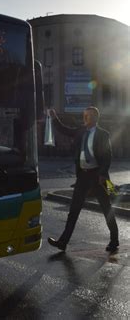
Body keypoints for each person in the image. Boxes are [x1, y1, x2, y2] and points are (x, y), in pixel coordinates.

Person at [47, 107, 119, 253]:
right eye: (84, 115)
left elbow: (107, 156)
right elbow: (64, 130)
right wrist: (54, 117)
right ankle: (63, 242)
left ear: (95, 118)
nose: (85, 118)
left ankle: (114, 240)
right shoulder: (80, 131)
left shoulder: (103, 134)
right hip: (83, 177)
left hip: (97, 176)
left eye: (88, 116)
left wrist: (103, 174)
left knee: (106, 209)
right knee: (73, 211)